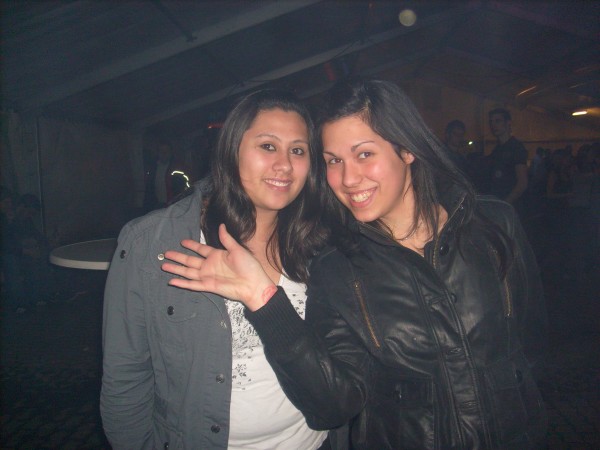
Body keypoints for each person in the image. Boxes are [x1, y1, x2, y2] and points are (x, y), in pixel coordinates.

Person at [163, 79, 548, 449]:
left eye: (364, 154)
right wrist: (263, 299)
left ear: (407, 149)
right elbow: (333, 406)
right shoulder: (338, 268)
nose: (348, 178)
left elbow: (529, 345)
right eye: (333, 160)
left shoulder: (494, 226)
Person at [100, 89, 331, 449]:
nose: (285, 165)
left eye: (298, 151)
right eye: (268, 146)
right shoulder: (154, 242)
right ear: (232, 149)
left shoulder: (321, 242)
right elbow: (125, 377)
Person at [487, 108, 529, 216]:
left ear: (508, 123)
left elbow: (522, 183)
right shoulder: (496, 150)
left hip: (512, 209)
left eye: (498, 121)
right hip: (498, 207)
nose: (493, 125)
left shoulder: (516, 148)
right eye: (491, 122)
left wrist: (505, 204)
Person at [142, 138, 191, 212]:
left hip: (174, 206)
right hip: (157, 206)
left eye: (166, 151)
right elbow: (149, 190)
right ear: (158, 152)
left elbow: (186, 188)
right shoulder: (153, 169)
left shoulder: (178, 168)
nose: (164, 153)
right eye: (161, 151)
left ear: (171, 152)